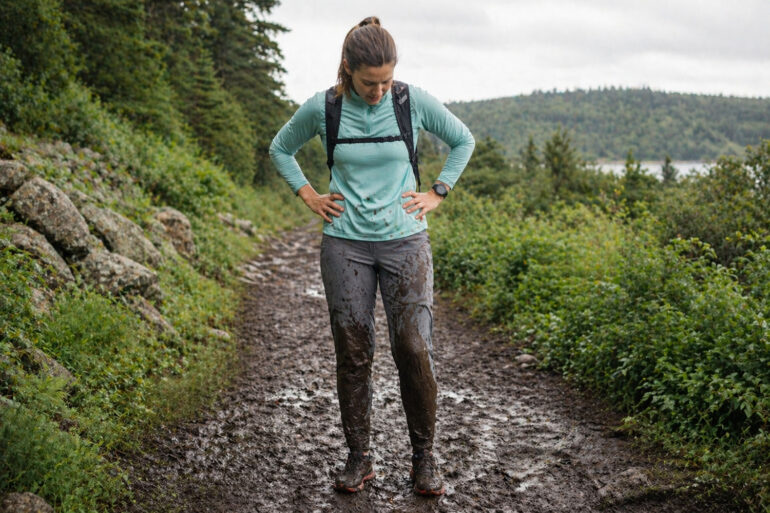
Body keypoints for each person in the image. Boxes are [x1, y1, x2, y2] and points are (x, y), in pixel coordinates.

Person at [269, 16, 474, 496]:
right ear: (347, 70)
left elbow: (462, 139)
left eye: (386, 80)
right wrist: (310, 196)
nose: (379, 90)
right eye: (369, 82)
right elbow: (281, 149)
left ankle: (424, 460)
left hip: (406, 242)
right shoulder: (324, 108)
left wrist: (439, 191)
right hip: (344, 244)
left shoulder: (410, 101)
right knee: (354, 352)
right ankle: (358, 458)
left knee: (414, 349)